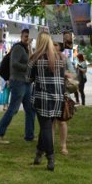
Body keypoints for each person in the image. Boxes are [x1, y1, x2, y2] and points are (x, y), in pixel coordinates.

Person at [27, 32, 65, 171]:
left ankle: (50, 157)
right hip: (57, 98)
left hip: (42, 98)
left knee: (46, 128)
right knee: (47, 127)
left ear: (39, 42)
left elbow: (28, 78)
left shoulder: (35, 58)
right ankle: (38, 154)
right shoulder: (60, 57)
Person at [0, 29, 35, 144]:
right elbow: (14, 64)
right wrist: (29, 67)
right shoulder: (17, 48)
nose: (27, 39)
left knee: (30, 110)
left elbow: (31, 61)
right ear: (21, 36)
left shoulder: (27, 49)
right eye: (26, 36)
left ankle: (29, 136)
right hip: (18, 82)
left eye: (29, 37)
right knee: (13, 109)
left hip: (26, 82)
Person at [54, 38, 77, 155]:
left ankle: (63, 145)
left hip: (63, 92)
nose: (53, 47)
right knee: (51, 121)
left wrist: (63, 73)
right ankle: (50, 144)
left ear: (60, 47)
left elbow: (73, 74)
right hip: (50, 92)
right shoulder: (47, 58)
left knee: (62, 121)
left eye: (55, 45)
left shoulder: (65, 59)